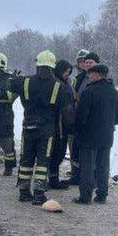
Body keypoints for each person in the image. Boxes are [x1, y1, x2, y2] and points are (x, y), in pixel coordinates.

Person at [14, 51, 70, 203]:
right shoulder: (59, 86)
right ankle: (39, 192)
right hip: (47, 129)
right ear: (52, 66)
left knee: (26, 159)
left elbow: (10, 87)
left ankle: (23, 191)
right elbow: (65, 109)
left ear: (37, 64)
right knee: (43, 161)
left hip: (28, 127)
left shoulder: (24, 81)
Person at [73, 63, 118, 204]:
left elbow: (81, 117)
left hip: (89, 136)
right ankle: (102, 195)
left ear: (98, 75)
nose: (88, 76)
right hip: (107, 136)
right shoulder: (114, 92)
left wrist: (77, 130)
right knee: (103, 166)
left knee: (87, 167)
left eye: (91, 74)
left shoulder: (89, 92)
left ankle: (85, 196)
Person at [69, 51, 99, 184]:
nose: (87, 64)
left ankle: (92, 178)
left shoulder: (101, 78)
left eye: (90, 62)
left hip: (93, 120)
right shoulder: (79, 78)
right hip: (78, 118)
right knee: (75, 149)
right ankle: (76, 175)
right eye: (85, 62)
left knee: (91, 152)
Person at [46, 59, 77, 188]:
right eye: (66, 72)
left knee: (60, 152)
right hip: (58, 124)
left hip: (65, 123)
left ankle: (53, 178)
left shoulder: (65, 83)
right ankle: (52, 179)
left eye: (69, 72)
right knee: (56, 152)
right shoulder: (56, 83)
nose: (67, 74)